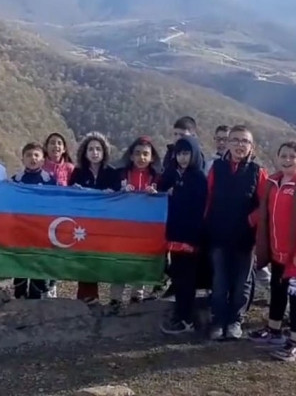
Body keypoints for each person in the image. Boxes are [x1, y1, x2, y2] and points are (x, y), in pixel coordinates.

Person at [251, 141, 296, 361]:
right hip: (278, 252)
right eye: (283, 156)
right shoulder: (273, 182)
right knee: (277, 291)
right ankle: (274, 330)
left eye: (292, 156)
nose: (286, 160)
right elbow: (265, 212)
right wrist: (247, 221)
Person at [205, 125, 267, 341]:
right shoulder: (217, 168)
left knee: (243, 282)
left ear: (252, 146)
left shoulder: (257, 172)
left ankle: (235, 321)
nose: (240, 145)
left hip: (245, 238)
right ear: (227, 143)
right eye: (236, 140)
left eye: (245, 141)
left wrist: (251, 220)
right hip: (219, 234)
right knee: (219, 281)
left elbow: (264, 204)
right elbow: (208, 198)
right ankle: (218, 320)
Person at [157, 136, 208, 335]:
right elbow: (161, 188)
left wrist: (175, 193)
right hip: (175, 237)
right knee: (179, 278)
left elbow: (197, 210)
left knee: (187, 281)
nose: (182, 158)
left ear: (194, 154)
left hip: (190, 238)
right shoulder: (175, 174)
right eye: (179, 153)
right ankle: (180, 315)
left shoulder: (198, 178)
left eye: (186, 153)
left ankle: (186, 320)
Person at [68, 132, 121, 303]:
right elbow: (69, 195)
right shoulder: (77, 173)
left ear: (104, 151)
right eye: (91, 149)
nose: (94, 152)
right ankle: (87, 295)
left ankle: (114, 298)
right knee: (86, 257)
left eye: (98, 149)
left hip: (107, 224)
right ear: (84, 152)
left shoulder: (113, 173)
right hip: (84, 223)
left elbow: (119, 196)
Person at [111, 136, 162, 308]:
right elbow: (110, 196)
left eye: (145, 154)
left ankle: (136, 294)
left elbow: (164, 200)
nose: (141, 157)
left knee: (140, 260)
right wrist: (120, 192)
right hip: (123, 226)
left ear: (152, 157)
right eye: (138, 153)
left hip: (145, 229)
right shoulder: (120, 175)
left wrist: (156, 195)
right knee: (120, 260)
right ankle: (116, 297)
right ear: (131, 156)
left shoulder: (157, 177)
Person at [11, 142, 58, 300]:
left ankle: (38, 292)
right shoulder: (15, 180)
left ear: (43, 159)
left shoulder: (50, 181)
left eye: (36, 155)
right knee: (21, 260)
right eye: (29, 155)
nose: (33, 158)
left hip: (42, 230)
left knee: (39, 261)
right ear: (23, 159)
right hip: (20, 229)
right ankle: (19, 292)